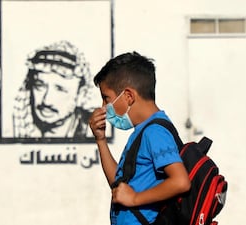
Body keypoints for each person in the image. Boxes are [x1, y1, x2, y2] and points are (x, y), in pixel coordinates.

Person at [88, 51, 190, 225]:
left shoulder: (155, 132)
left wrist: (135, 198)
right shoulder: (143, 132)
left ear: (128, 96)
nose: (104, 107)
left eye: (106, 98)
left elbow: (180, 181)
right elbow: (119, 186)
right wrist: (101, 140)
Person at [13, 40, 95, 140]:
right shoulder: (19, 122)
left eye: (60, 89)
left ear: (80, 95)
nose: (46, 101)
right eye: (40, 86)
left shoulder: (95, 129)